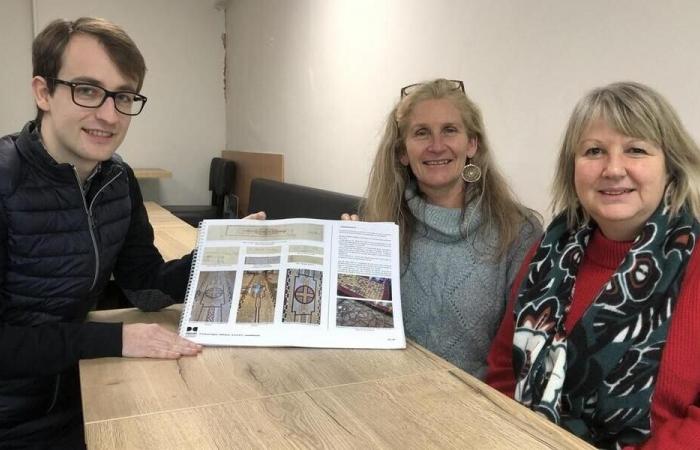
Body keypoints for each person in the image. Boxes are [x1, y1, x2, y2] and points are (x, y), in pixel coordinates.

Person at [0, 17, 209, 448]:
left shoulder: (117, 180)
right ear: (43, 92)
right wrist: (116, 338)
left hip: (89, 395)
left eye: (124, 96)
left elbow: (145, 286)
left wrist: (219, 253)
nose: (110, 115)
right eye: (88, 90)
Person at [486, 81, 700, 449]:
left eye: (636, 150)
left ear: (671, 165)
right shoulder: (549, 250)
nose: (613, 169)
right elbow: (504, 370)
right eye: (594, 151)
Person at [344, 79, 541, 377]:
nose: (437, 146)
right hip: (387, 393)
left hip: (477, 410)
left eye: (450, 130)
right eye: (421, 133)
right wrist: (347, 268)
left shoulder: (517, 231)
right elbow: (360, 330)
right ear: (402, 152)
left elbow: (520, 357)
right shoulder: (378, 226)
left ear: (472, 144)